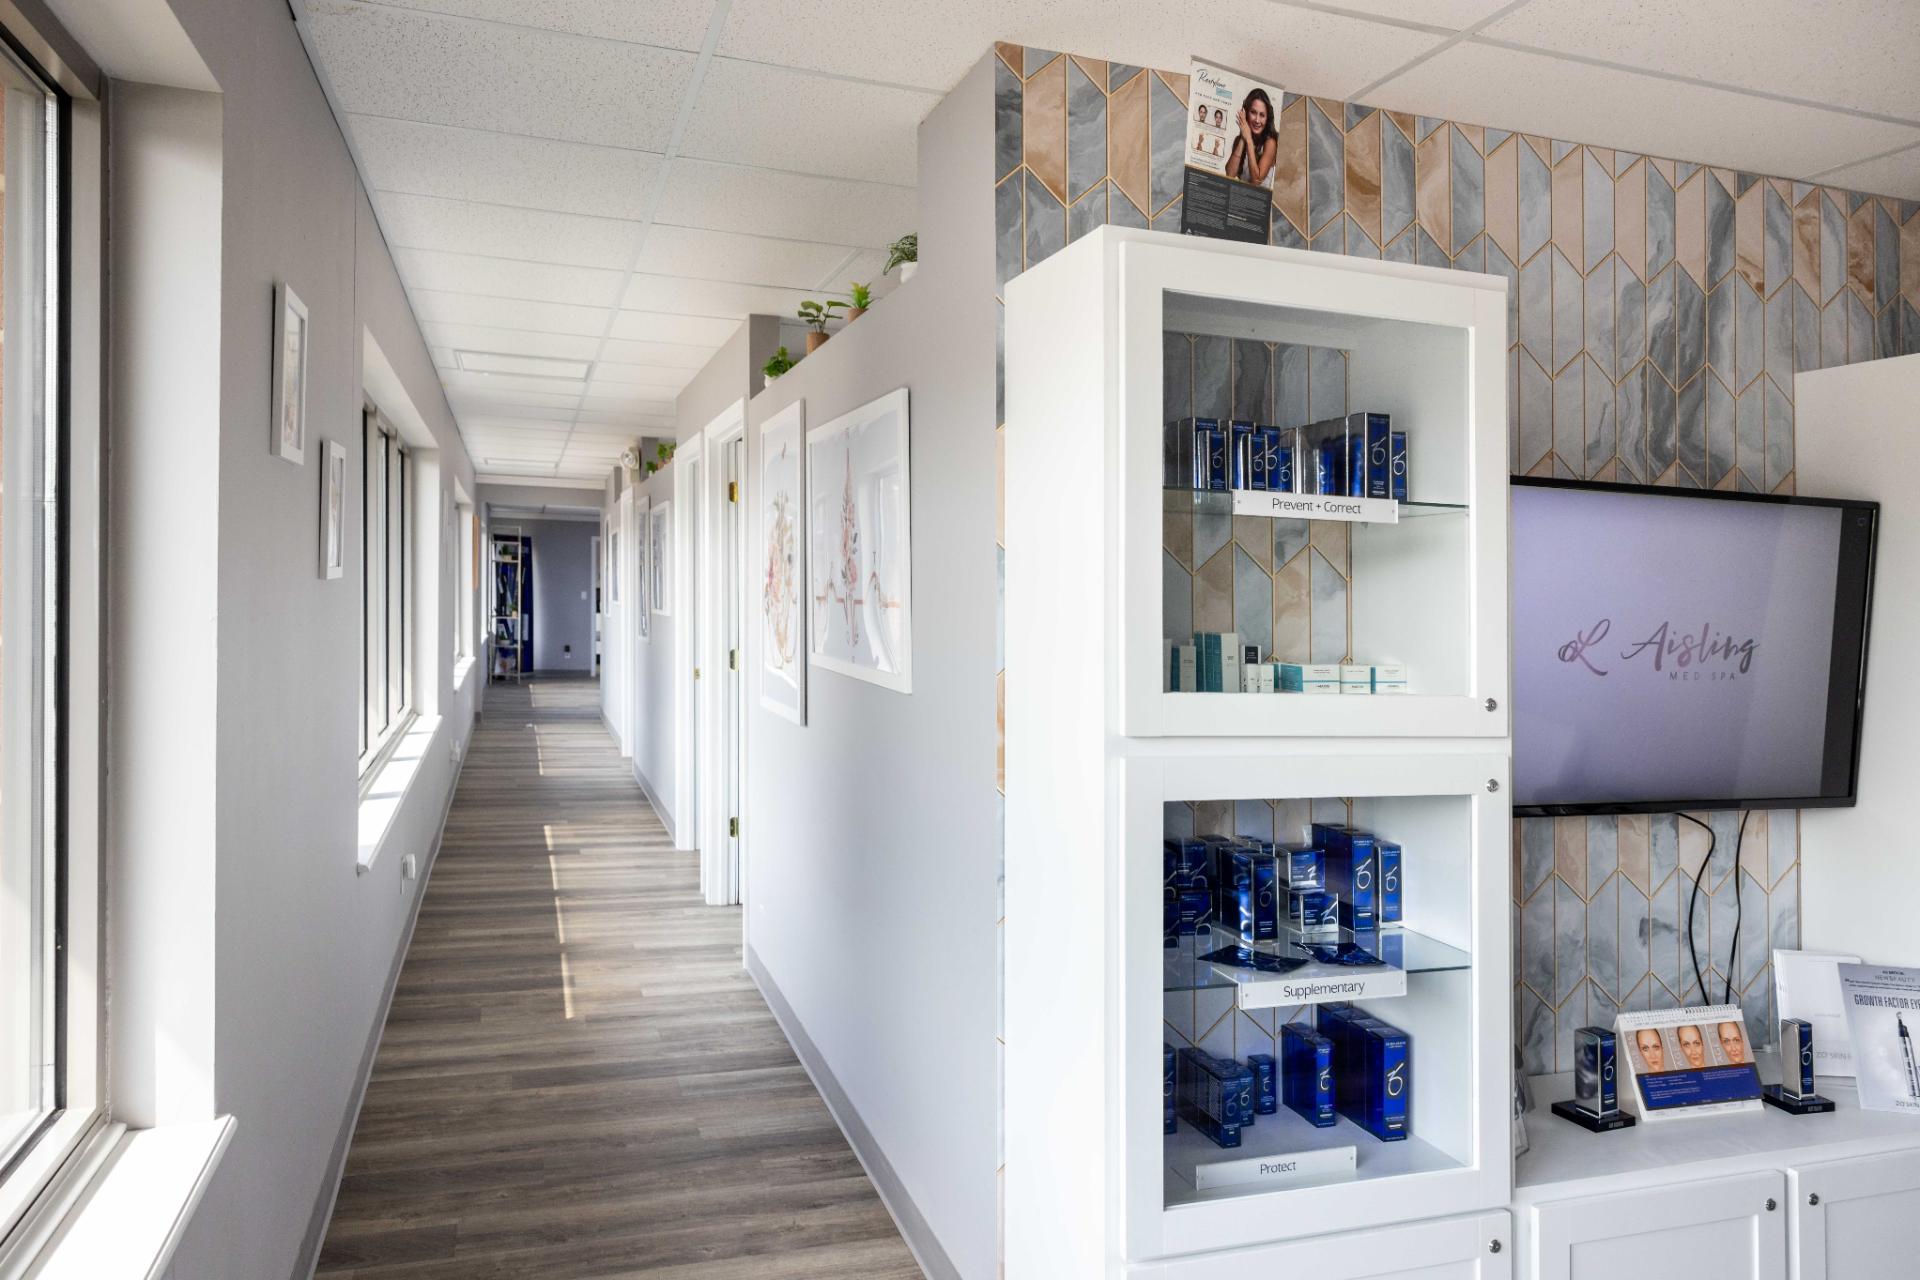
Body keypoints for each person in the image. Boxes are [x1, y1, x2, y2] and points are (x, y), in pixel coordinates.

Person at [1225, 87, 1279, 191]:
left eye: (1262, 115)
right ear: (1246, 113)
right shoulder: (1239, 140)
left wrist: (1249, 140)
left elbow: (1256, 182)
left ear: (1267, 118)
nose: (1257, 120)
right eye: (1253, 112)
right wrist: (1243, 137)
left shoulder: (1270, 143)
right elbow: (1229, 175)